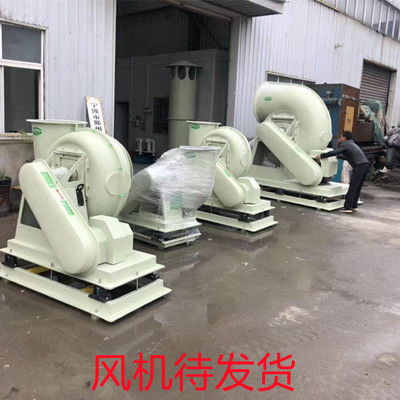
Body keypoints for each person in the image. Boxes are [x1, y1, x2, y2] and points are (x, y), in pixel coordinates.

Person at [315, 131, 369, 214]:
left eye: (341, 136)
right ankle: (354, 206)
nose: (339, 138)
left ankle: (348, 207)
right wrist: (339, 156)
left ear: (344, 137)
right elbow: (350, 157)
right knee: (357, 186)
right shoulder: (352, 144)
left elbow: (334, 152)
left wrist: (321, 155)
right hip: (365, 165)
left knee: (353, 186)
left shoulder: (346, 144)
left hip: (359, 166)